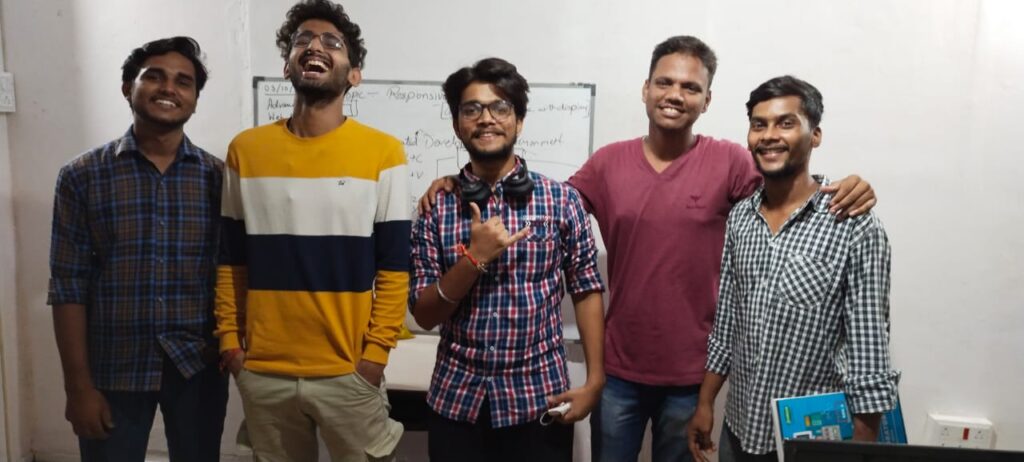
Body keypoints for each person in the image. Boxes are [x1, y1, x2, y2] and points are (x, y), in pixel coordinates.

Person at [420, 36, 877, 462]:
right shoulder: (606, 164)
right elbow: (544, 204)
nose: (675, 94)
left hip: (693, 372)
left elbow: (785, 191)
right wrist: (458, 185)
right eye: (664, 82)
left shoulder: (731, 161)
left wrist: (839, 187)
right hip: (618, 371)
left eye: (690, 86)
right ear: (645, 89)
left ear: (706, 100)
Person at [215, 1, 408, 460]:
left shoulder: (383, 153)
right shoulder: (246, 150)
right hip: (263, 372)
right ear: (287, 65)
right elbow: (231, 260)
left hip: (348, 371)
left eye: (331, 42)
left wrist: (374, 359)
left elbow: (395, 268)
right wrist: (231, 347)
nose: (314, 46)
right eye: (302, 40)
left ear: (353, 73)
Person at [687, 75, 899, 462]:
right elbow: (727, 322)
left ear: (815, 135)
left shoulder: (853, 224)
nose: (769, 135)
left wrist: (859, 451)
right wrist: (705, 404)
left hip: (810, 443)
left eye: (786, 123)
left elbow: (868, 351)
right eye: (759, 124)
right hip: (738, 429)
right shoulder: (740, 219)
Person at [410, 57, 606, 462]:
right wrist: (474, 258)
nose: (487, 119)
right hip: (457, 401)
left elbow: (586, 289)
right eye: (472, 109)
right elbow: (425, 314)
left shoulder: (561, 201)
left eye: (500, 108)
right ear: (456, 124)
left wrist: (595, 380)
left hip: (539, 399)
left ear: (518, 121)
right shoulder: (437, 206)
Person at [48, 36, 227, 462]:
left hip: (197, 366)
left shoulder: (219, 180)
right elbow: (67, 286)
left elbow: (231, 275)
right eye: (155, 77)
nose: (169, 88)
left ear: (195, 100)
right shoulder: (81, 176)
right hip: (113, 367)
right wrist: (78, 387)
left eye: (184, 82)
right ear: (128, 87)